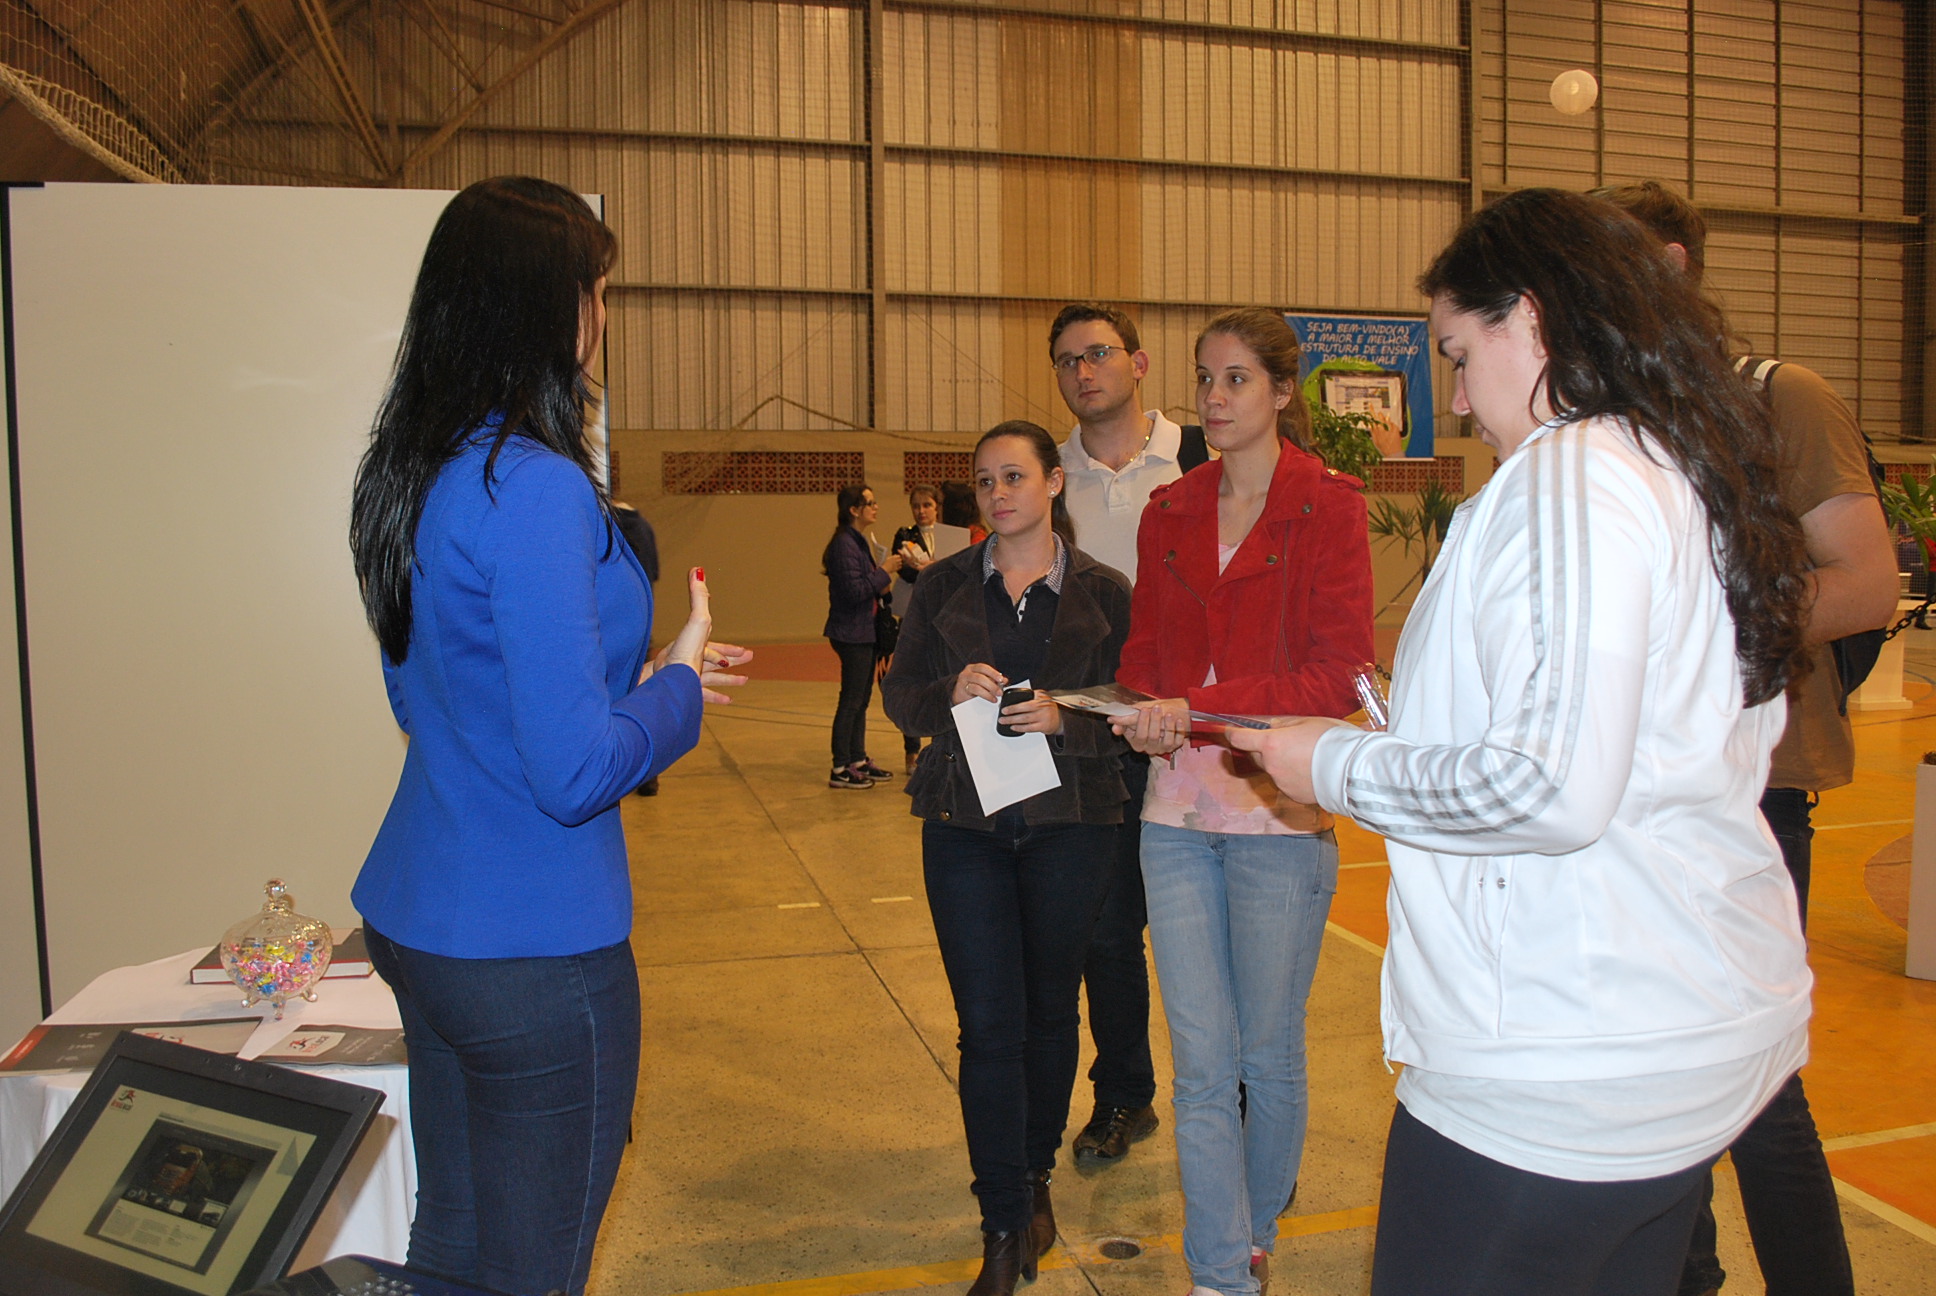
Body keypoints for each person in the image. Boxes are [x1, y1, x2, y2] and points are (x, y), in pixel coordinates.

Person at [1226, 188, 1817, 1296]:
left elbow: (1549, 786)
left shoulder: (1572, 472)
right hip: (1681, 1033)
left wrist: (1329, 763)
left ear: (1533, 319)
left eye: (1458, 354)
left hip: (1562, 1060)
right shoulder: (1680, 466)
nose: (1454, 397)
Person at [347, 176, 749, 1296]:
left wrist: (628, 683)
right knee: (532, 1272)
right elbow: (572, 774)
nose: (604, 317)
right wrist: (674, 690)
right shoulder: (533, 487)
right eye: (596, 291)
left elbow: (428, 694)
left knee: (451, 1250)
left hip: (422, 917)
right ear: (543, 305)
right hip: (531, 949)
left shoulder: (416, 470)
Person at [1601, 179, 1895, 1296]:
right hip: (1626, 787)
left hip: (1750, 787)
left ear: (1671, 267)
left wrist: (1696, 623)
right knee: (1650, 1081)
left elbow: (1865, 584)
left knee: (1758, 1092)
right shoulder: (1617, 423)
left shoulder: (1783, 397)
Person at [1110, 307, 1374, 1296]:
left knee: (1266, 1054)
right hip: (1175, 817)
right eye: (1204, 379)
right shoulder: (1168, 510)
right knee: (1198, 1066)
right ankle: (1220, 1274)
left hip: (1279, 816)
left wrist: (1200, 709)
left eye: (1235, 380)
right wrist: (1139, 711)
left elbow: (1338, 672)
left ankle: (1254, 1237)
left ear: (1280, 390)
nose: (1213, 399)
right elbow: (1144, 654)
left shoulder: (1328, 507)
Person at [881, 421, 1134, 1296]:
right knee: (988, 1028)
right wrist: (947, 691)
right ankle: (999, 1221)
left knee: (1050, 1015)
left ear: (1054, 483)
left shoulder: (1106, 591)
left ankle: (1034, 1181)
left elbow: (1136, 707)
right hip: (966, 831)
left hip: (1074, 829)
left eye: (1014, 476)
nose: (998, 493)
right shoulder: (943, 584)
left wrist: (1072, 718)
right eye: (985, 481)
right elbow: (900, 699)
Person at [1047, 303, 1198, 1167]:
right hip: (1095, 741)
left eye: (1098, 353)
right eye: (1067, 360)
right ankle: (1125, 1096)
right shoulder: (1049, 474)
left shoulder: (1197, 458)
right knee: (1106, 932)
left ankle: (1238, 1096)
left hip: (1194, 733)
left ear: (1138, 364)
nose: (1083, 371)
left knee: (1207, 928)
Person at [824, 483, 905, 788]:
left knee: (860, 700)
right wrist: (885, 570)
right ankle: (840, 767)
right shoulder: (844, 545)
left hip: (863, 630)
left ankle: (856, 759)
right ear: (854, 510)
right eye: (870, 503)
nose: (876, 507)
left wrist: (881, 578)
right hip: (851, 632)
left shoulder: (856, 542)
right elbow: (854, 591)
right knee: (851, 700)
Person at [613, 499, 664, 796]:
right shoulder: (644, 528)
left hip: (609, 631)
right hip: (640, 629)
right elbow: (653, 573)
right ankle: (648, 775)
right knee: (642, 702)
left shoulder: (604, 528)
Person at [892, 484, 941, 772]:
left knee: (940, 682)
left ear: (937, 507)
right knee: (911, 681)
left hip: (941, 618)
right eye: (916, 506)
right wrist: (929, 569)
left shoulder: (950, 535)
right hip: (912, 614)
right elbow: (906, 570)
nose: (921, 511)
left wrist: (930, 568)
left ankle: (937, 749)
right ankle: (911, 751)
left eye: (927, 505)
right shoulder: (905, 535)